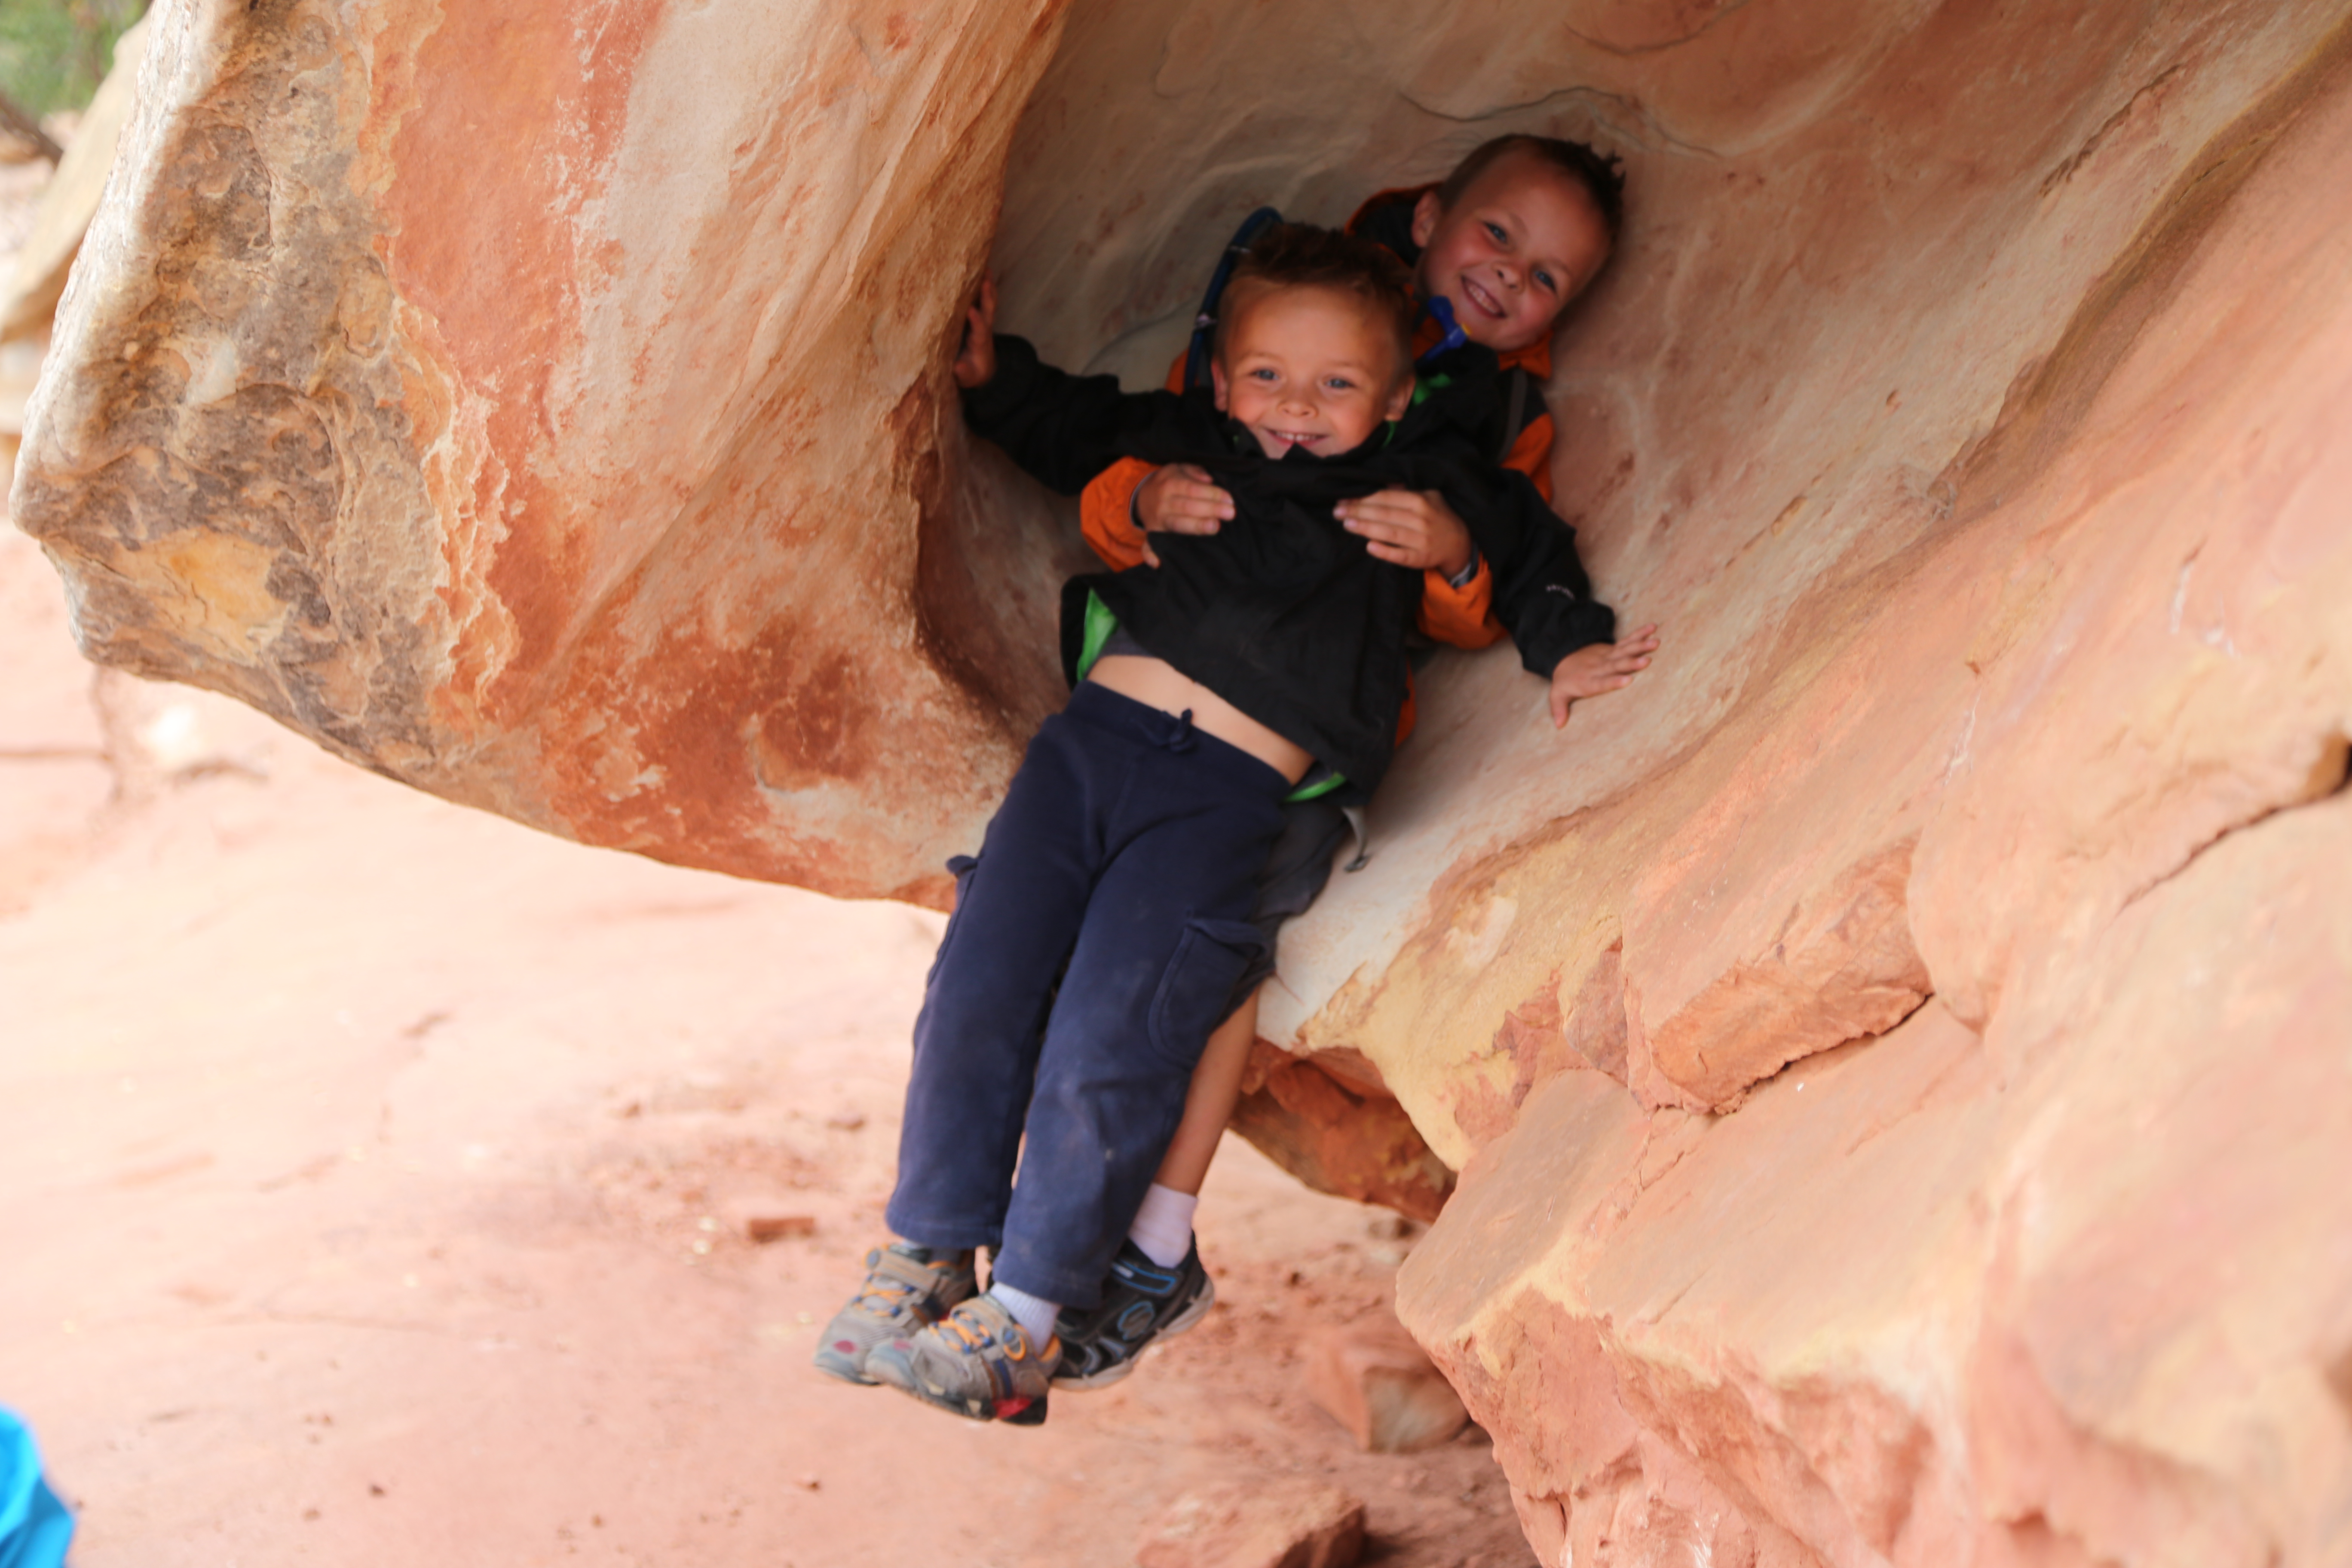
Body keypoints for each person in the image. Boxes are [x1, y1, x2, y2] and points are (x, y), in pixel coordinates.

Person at [815, 224, 1650, 1425]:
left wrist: (1525, 605)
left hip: (1223, 794)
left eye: (1337, 386)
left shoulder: (1412, 489)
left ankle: (1029, 1321)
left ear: (1399, 396)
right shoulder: (1191, 448)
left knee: (1118, 1028)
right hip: (1083, 756)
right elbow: (1076, 426)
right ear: (1218, 378)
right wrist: (1004, 387)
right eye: (1267, 377)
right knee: (979, 978)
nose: (1295, 410)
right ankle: (928, 1250)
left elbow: (1530, 545)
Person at [1054, 134, 1653, 1389]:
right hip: (1176, 676)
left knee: (1221, 949)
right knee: (1076, 928)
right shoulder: (1291, 297)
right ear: (1431, 214)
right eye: (1497, 235)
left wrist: (1464, 569)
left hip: (1311, 733)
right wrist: (1101, 473)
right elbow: (1156, 436)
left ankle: (1154, 1242)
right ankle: (1031, 1229)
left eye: (1546, 278)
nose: (1508, 279)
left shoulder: (1497, 423)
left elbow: (1505, 573)